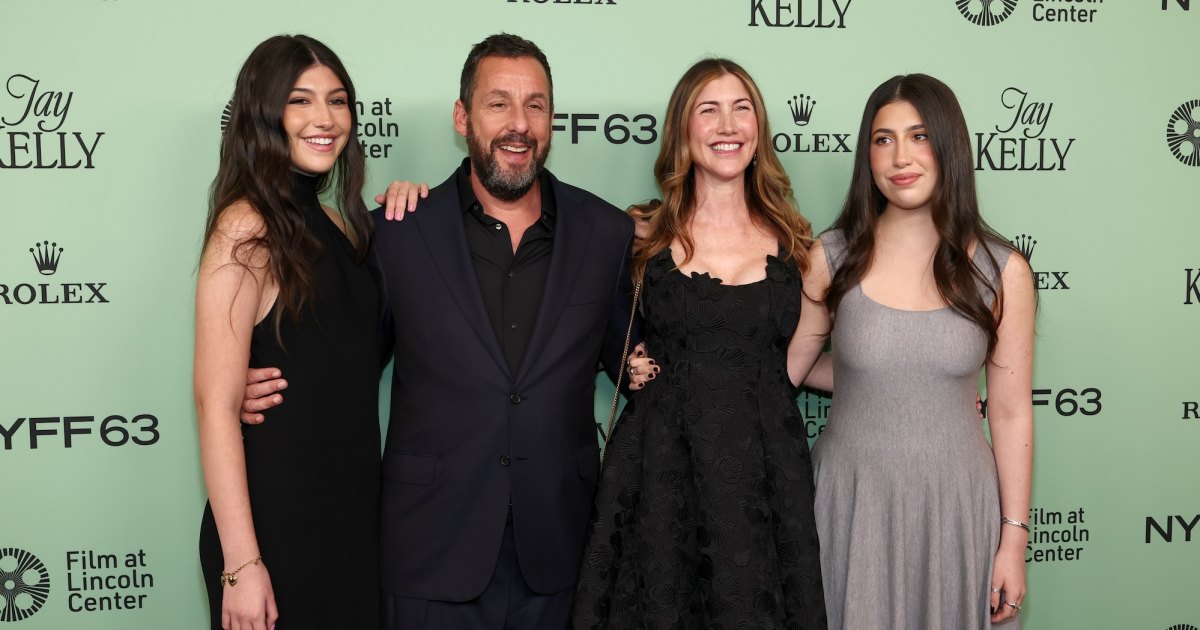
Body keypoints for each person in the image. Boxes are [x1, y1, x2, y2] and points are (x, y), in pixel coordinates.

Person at [242, 33, 636, 629]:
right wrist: (257, 385)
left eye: (535, 105)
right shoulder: (398, 232)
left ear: (552, 119)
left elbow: (637, 364)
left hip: (561, 555)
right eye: (498, 103)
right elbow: (342, 359)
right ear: (462, 117)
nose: (519, 123)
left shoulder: (606, 232)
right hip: (429, 554)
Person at [572, 58, 828, 629]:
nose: (727, 125)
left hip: (764, 476)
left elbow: (814, 360)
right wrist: (626, 360)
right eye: (708, 110)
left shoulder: (798, 245)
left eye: (741, 109)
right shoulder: (642, 233)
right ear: (682, 130)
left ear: (759, 127)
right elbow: (579, 309)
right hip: (663, 468)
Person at [788, 74, 1035, 629]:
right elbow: (790, 368)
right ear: (867, 156)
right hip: (850, 506)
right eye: (884, 139)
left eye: (919, 136)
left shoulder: (1001, 271)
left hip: (958, 510)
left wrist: (1013, 540)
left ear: (950, 145)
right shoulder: (830, 256)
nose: (901, 156)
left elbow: (1010, 411)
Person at [194, 35, 380, 630]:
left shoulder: (339, 224)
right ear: (263, 113)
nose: (325, 118)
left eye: (337, 100)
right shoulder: (247, 226)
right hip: (276, 527)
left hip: (351, 521)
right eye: (300, 100)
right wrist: (242, 564)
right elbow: (215, 406)